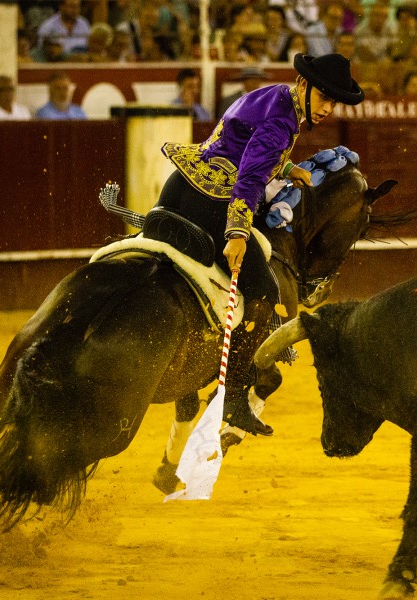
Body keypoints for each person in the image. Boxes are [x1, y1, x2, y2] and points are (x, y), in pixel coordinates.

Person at [155, 53, 365, 435]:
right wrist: (236, 232)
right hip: (214, 200)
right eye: (324, 97)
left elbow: (239, 144)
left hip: (180, 186)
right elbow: (249, 174)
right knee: (264, 289)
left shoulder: (273, 96)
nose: (328, 108)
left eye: (334, 102)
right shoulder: (284, 120)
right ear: (304, 85)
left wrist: (286, 168)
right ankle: (234, 397)